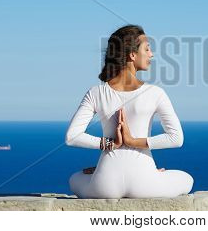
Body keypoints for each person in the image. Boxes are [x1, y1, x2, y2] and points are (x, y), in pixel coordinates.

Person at [65, 25, 194, 198]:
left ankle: (101, 171)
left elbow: (71, 137)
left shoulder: (96, 92)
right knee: (187, 179)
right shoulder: (155, 93)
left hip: (105, 185)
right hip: (146, 184)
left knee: (75, 178)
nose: (151, 54)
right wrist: (132, 142)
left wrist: (110, 145)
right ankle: (152, 174)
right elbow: (176, 138)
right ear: (132, 55)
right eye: (147, 48)